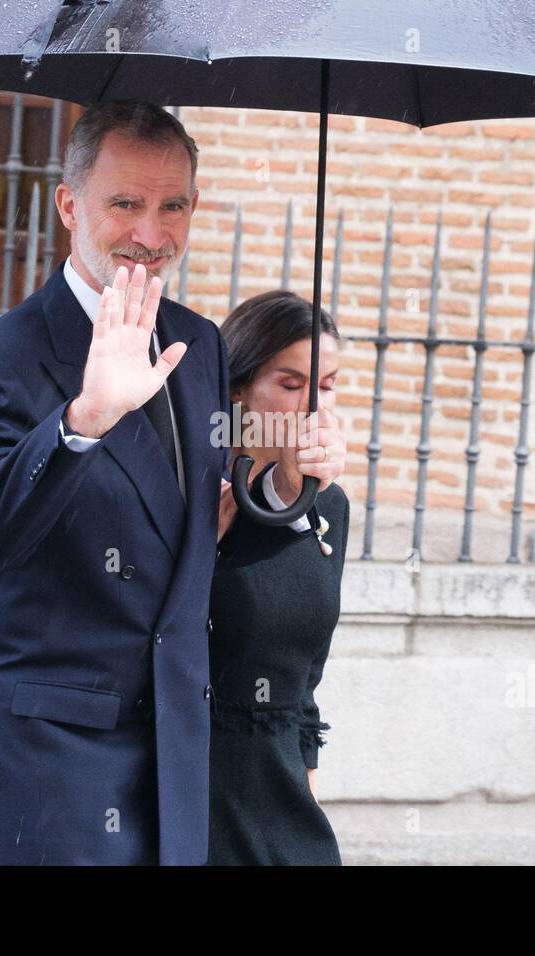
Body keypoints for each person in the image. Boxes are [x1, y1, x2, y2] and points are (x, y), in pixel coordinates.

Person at [0, 99, 344, 865]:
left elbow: (204, 539)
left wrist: (284, 480)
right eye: (126, 204)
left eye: (173, 206)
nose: (152, 235)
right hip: (49, 766)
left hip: (177, 763)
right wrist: (82, 421)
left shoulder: (199, 342)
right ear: (68, 205)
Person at [208, 290, 348, 865]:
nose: (314, 404)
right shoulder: (190, 493)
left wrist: (307, 786)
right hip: (198, 788)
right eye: (291, 385)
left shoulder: (327, 506)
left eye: (329, 384)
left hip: (283, 797)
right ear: (239, 389)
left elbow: (305, 675)